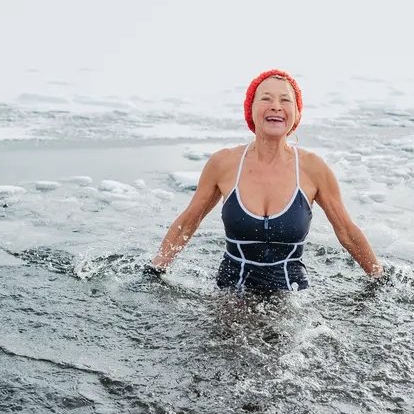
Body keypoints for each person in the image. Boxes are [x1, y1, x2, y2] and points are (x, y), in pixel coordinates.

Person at [149, 69, 383, 291]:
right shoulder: (224, 164)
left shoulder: (314, 169)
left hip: (292, 297)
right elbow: (189, 222)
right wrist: (155, 270)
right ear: (250, 109)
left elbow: (346, 231)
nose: (276, 107)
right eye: (266, 99)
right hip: (230, 292)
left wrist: (379, 278)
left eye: (285, 100)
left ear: (297, 113)